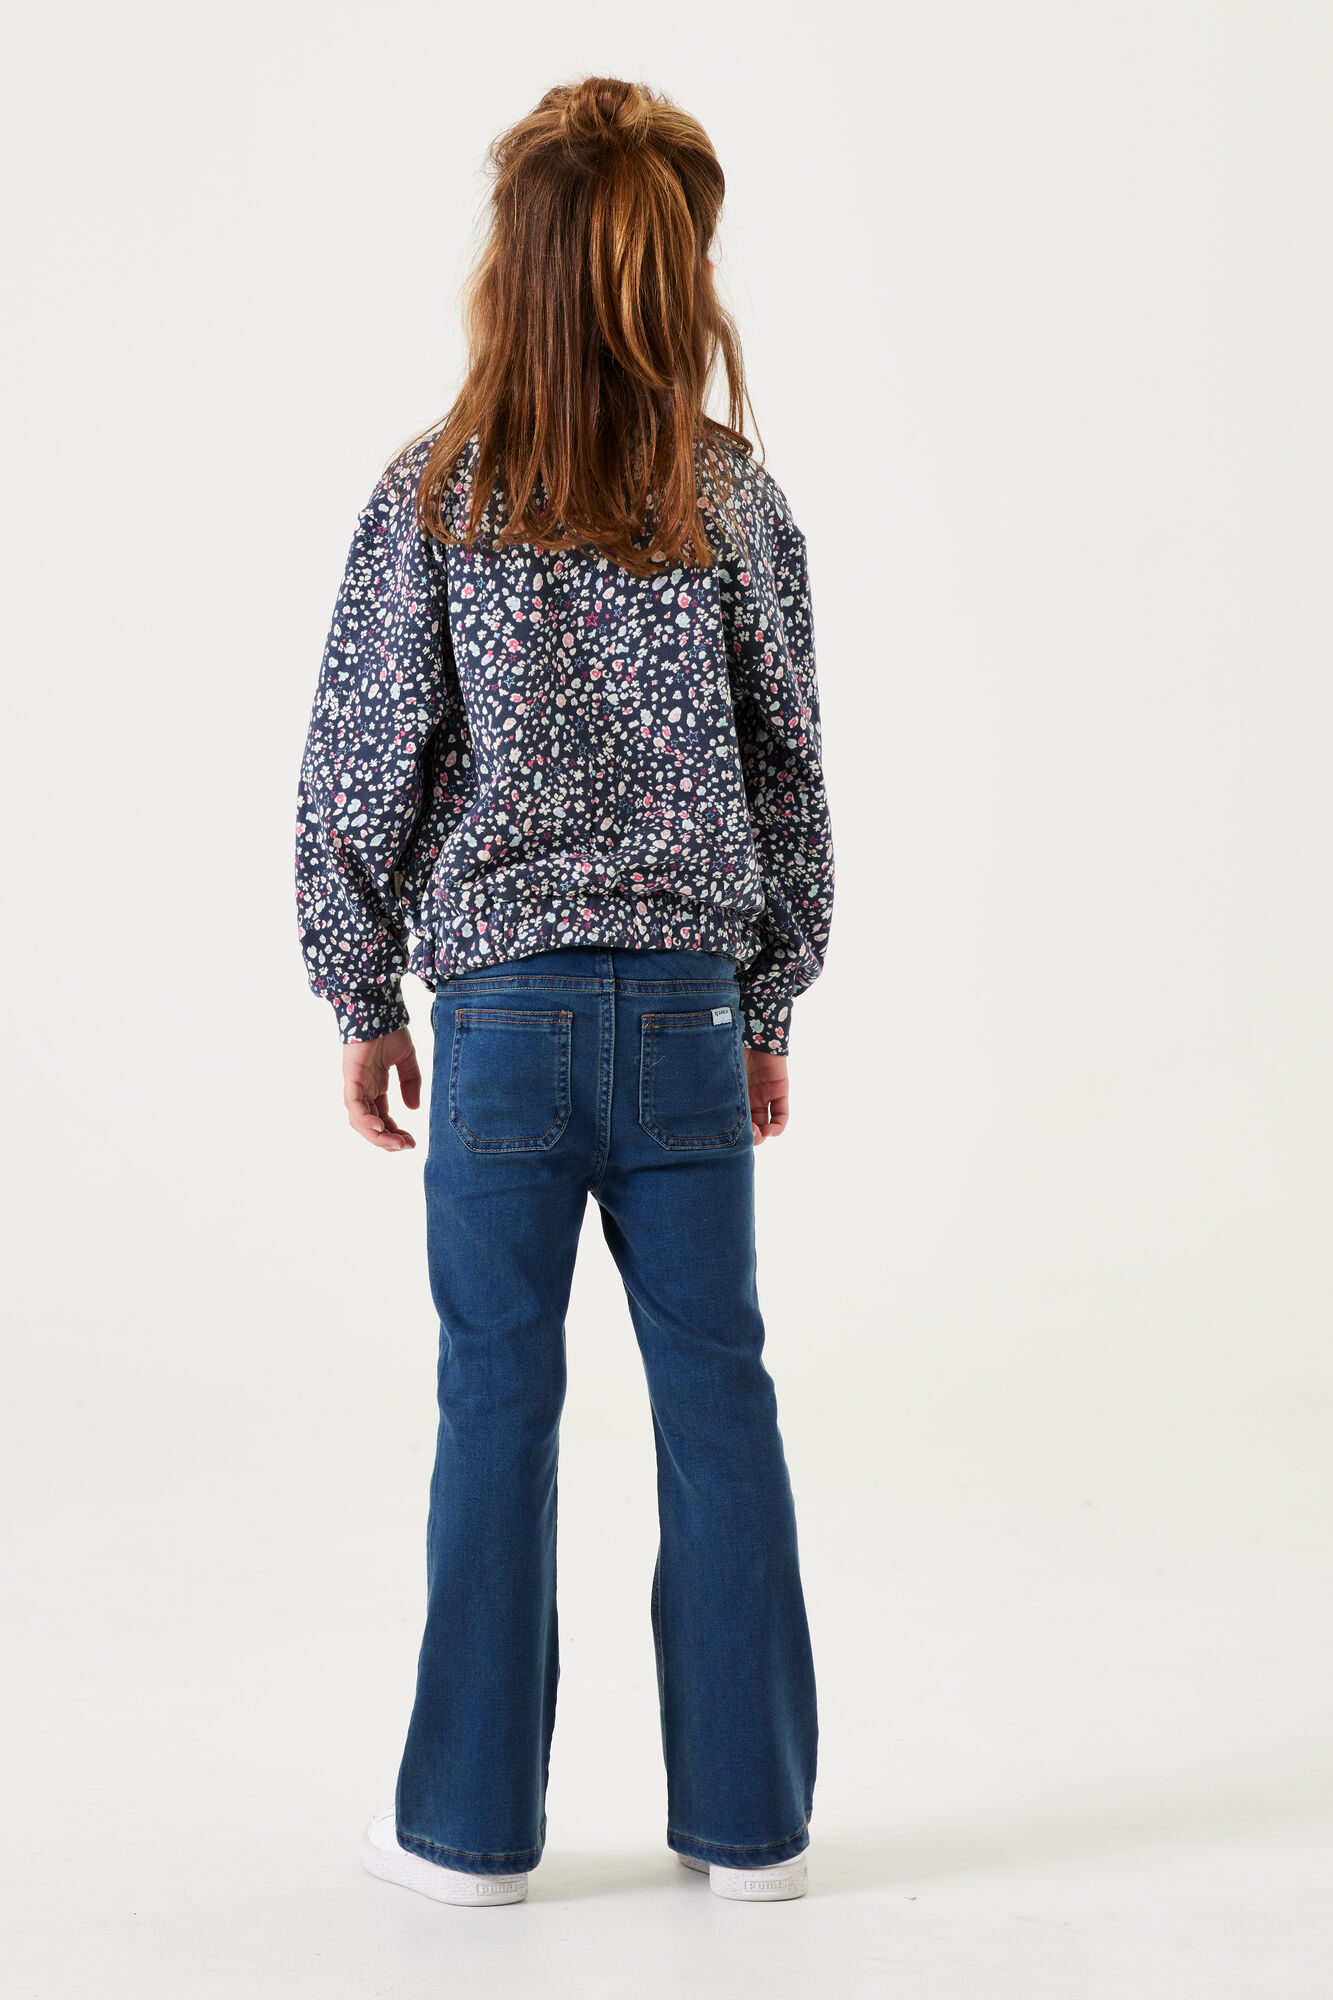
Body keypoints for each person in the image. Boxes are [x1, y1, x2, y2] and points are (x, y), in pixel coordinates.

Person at [294, 74, 835, 1907]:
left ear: (507, 267)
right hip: (685, 1015)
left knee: (494, 1406)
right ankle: (751, 1833)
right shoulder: (728, 495)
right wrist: (766, 1003)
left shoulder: (437, 492)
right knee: (718, 1403)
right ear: (679, 276)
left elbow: (361, 762)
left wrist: (361, 994)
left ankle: (466, 1839)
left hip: (501, 1027)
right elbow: (787, 773)